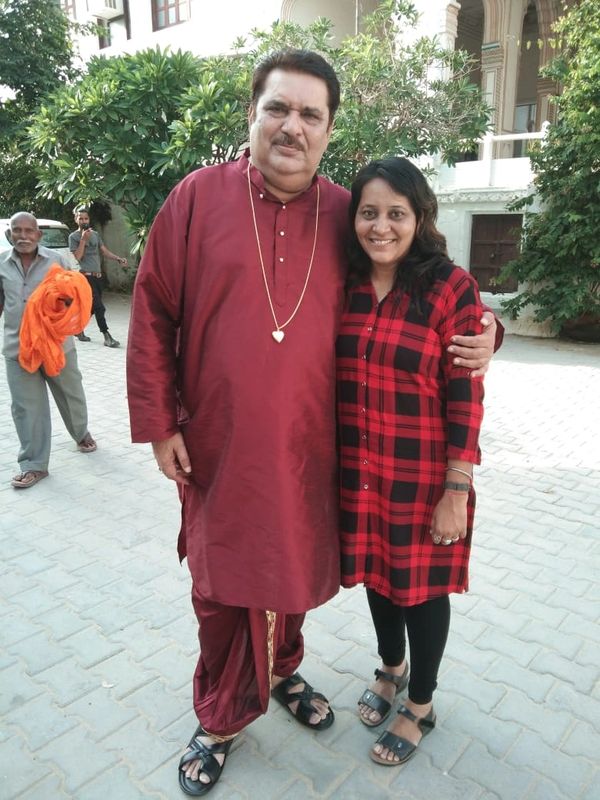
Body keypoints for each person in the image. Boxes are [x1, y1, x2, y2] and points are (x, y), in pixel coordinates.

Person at [126, 50, 498, 796]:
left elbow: (422, 281)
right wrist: (160, 422)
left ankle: (285, 671)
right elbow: (152, 309)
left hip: (314, 447)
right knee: (221, 581)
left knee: (294, 569)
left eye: (310, 114)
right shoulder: (197, 198)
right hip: (217, 442)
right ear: (253, 113)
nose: (292, 126)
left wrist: (488, 328)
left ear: (329, 129)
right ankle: (223, 710)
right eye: (278, 108)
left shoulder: (345, 211)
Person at [337, 156, 486, 767]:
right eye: (368, 213)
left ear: (419, 217)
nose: (380, 226)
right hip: (359, 468)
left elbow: (466, 392)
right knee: (377, 575)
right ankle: (390, 669)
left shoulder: (450, 287)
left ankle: (420, 703)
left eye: (395, 213)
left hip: (423, 476)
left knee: (421, 590)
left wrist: (457, 486)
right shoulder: (342, 283)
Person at [0, 212, 97, 489]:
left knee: (71, 394)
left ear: (38, 235)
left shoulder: (58, 261)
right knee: (25, 408)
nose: (23, 236)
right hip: (18, 349)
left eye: (29, 231)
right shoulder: (1, 265)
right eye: (16, 231)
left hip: (57, 346)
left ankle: (80, 433)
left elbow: (79, 296)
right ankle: (33, 464)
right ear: (10, 235)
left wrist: (66, 310)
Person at [69, 205, 127, 347]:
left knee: (93, 308)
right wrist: (83, 240)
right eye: (80, 218)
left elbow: (104, 251)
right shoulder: (74, 237)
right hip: (86, 277)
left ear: (89, 219)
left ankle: (78, 329)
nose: (83, 221)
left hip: (98, 277)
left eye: (86, 218)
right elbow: (78, 256)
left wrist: (118, 258)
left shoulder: (95, 234)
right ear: (76, 220)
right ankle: (107, 337)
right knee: (100, 307)